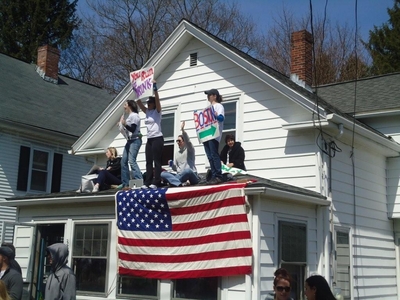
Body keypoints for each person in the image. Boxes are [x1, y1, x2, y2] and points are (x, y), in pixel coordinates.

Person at [136, 81, 164, 188]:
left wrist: (155, 89)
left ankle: (156, 182)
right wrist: (136, 90)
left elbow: (158, 100)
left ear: (153, 104)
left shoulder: (157, 111)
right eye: (147, 103)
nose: (148, 105)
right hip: (150, 139)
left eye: (150, 103)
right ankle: (147, 181)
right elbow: (139, 103)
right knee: (148, 161)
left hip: (157, 138)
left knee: (157, 161)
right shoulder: (147, 112)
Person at [161, 121, 199, 187]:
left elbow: (188, 142)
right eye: (177, 141)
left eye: (179, 141)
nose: (178, 142)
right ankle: (178, 183)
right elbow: (175, 169)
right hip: (180, 175)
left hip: (191, 175)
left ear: (184, 142)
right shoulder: (176, 154)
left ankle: (173, 182)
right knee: (163, 174)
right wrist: (172, 164)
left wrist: (183, 131)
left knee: (187, 171)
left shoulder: (190, 150)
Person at [119, 99, 143, 188]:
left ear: (130, 106)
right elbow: (128, 130)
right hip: (129, 141)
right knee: (123, 161)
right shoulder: (129, 116)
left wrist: (125, 124)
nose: (124, 106)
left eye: (125, 104)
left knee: (131, 160)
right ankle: (125, 183)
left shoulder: (134, 116)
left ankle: (139, 181)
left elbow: (132, 129)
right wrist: (121, 126)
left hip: (135, 140)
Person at [203, 89, 224, 184]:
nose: (208, 96)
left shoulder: (219, 106)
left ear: (214, 96)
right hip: (206, 134)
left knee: (214, 154)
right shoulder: (208, 108)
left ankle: (218, 175)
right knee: (210, 156)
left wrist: (215, 116)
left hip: (214, 133)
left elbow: (221, 118)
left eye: (209, 95)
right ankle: (214, 174)